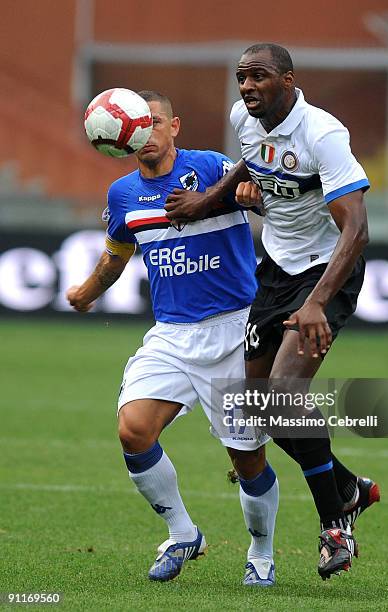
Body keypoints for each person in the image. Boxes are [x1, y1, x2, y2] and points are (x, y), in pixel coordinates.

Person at [164, 44, 380, 580]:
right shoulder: (246, 118)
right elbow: (251, 160)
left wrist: (315, 304)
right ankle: (348, 488)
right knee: (259, 407)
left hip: (326, 270)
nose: (246, 87)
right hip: (277, 267)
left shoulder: (322, 134)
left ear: (288, 80)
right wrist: (210, 199)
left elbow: (356, 229)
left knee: (282, 391)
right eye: (241, 77)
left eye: (258, 76)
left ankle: (335, 524)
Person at [66, 91, 279, 587]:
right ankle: (183, 532)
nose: (143, 132)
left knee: (247, 458)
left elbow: (270, 194)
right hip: (171, 335)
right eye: (136, 125)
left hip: (234, 331)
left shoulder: (211, 167)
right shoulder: (122, 194)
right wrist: (86, 291)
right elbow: (116, 255)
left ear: (174, 126)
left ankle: (262, 552)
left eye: (153, 121)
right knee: (133, 430)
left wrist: (255, 198)